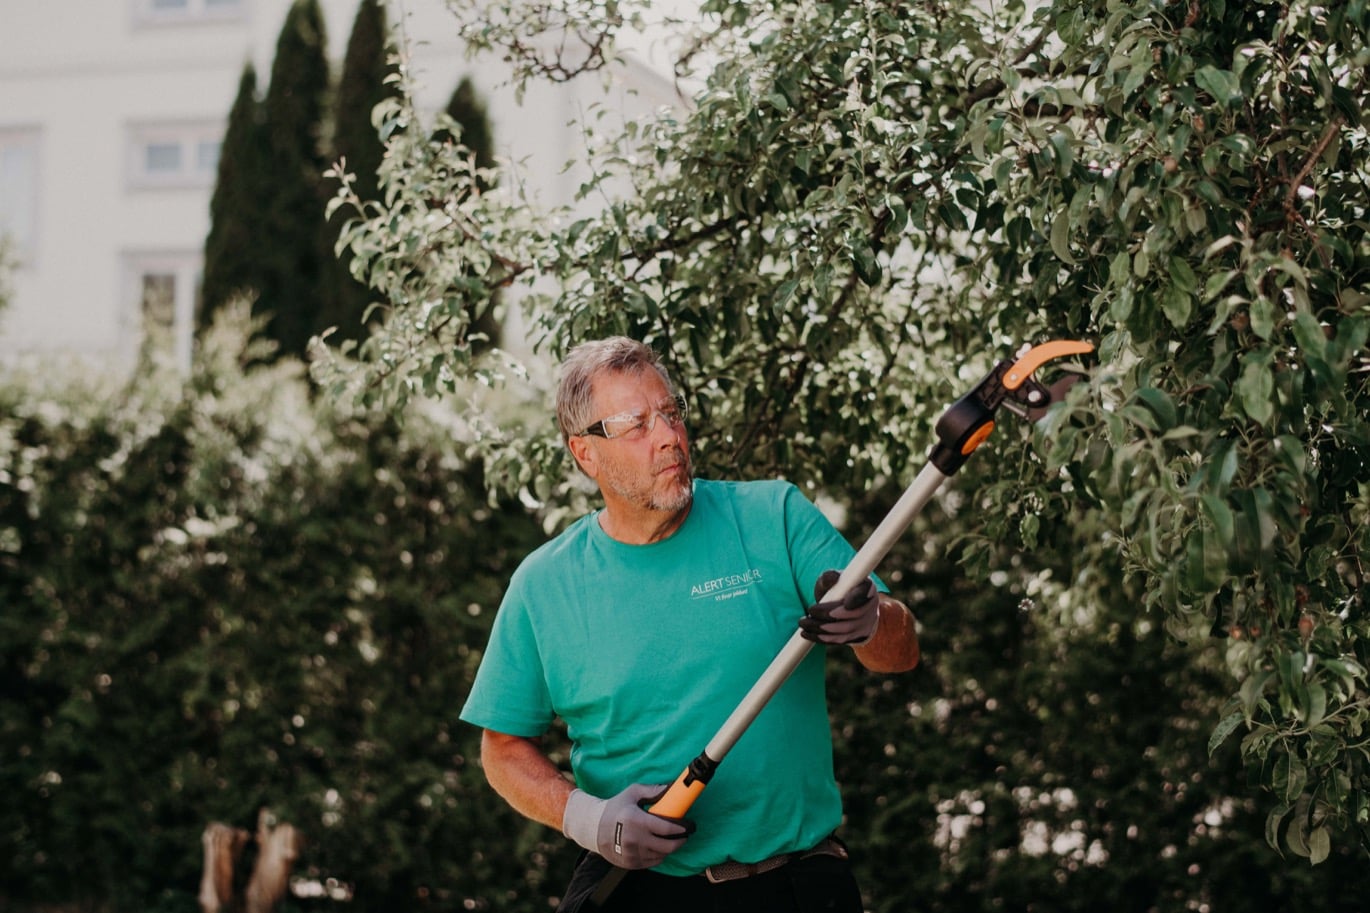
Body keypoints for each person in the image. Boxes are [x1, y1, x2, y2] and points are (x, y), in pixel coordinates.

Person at [459, 336, 920, 912]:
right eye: (636, 424)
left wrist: (872, 620)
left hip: (796, 885)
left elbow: (899, 653)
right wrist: (589, 818)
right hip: (638, 890)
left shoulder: (773, 516)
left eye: (671, 413)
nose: (669, 437)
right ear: (585, 453)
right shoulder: (545, 584)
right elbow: (501, 747)